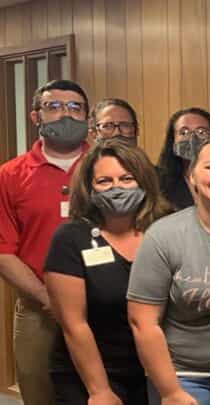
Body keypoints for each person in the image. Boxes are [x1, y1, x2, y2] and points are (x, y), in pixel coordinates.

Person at [45, 140, 171, 405]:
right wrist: (99, 390)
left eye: (127, 178)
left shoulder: (165, 230)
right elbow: (73, 324)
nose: (117, 188)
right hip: (89, 373)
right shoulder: (70, 238)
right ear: (89, 187)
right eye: (104, 181)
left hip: (155, 370)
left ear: (144, 182)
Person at [127, 134, 210, 405]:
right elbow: (143, 322)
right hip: (183, 373)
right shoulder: (164, 235)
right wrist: (171, 392)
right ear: (191, 176)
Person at [0, 79, 91, 405]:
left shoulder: (108, 168)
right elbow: (3, 250)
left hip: (103, 305)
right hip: (39, 308)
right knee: (39, 394)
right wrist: (46, 297)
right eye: (53, 106)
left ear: (86, 116)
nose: (65, 114)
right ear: (35, 116)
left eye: (74, 107)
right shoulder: (10, 175)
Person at [156, 108, 210, 210]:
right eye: (184, 133)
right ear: (173, 140)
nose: (192, 138)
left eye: (201, 132)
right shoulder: (158, 181)